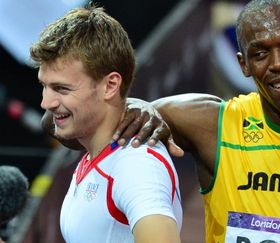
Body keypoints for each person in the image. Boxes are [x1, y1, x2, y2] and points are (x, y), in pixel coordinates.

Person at [43, 0, 280, 242]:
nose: (278, 65)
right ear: (243, 64)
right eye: (260, 53)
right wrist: (142, 109)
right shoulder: (210, 123)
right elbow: (76, 120)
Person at [31, 6, 182, 243]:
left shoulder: (137, 166)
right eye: (44, 85)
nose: (45, 102)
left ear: (110, 85)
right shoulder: (98, 149)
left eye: (62, 88)